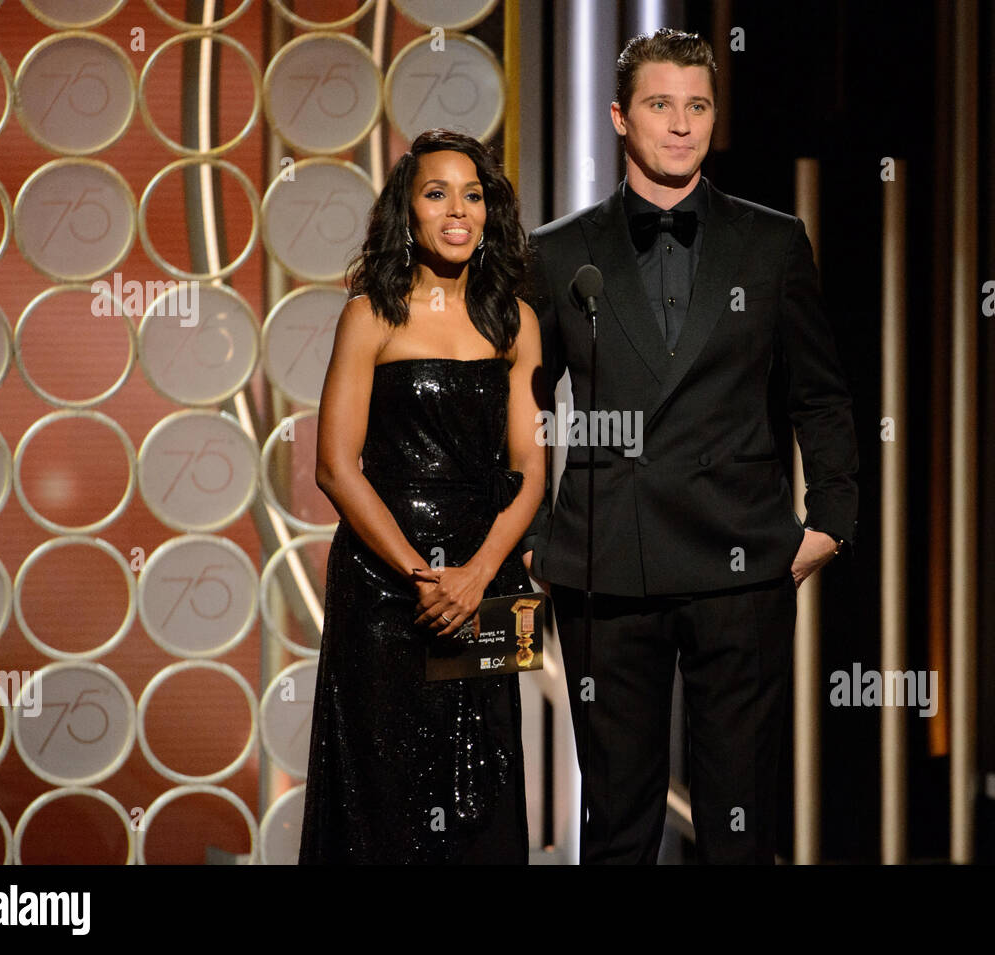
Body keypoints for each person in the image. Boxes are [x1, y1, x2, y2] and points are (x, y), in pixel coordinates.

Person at [520, 29, 859, 864]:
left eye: (697, 105)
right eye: (660, 105)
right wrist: (529, 539)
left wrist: (832, 520)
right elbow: (522, 408)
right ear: (620, 118)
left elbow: (819, 392)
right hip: (607, 562)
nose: (681, 124)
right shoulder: (559, 252)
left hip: (740, 560)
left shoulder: (773, 243)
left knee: (740, 819)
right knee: (618, 824)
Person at [299, 129, 544, 864]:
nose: (457, 210)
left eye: (473, 194)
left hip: (492, 585)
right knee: (386, 797)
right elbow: (336, 469)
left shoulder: (517, 323)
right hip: (385, 589)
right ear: (408, 212)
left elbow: (532, 470)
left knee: (486, 792)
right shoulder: (371, 314)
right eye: (436, 193)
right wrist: (422, 575)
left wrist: (474, 576)